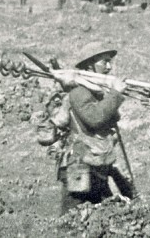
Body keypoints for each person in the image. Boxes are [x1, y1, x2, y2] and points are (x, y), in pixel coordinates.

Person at [56, 42, 136, 215]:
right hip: (80, 167)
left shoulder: (97, 91)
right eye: (104, 62)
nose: (108, 67)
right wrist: (115, 94)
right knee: (72, 218)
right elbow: (95, 119)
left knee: (101, 215)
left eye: (109, 62)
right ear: (89, 65)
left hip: (96, 165)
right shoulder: (78, 92)